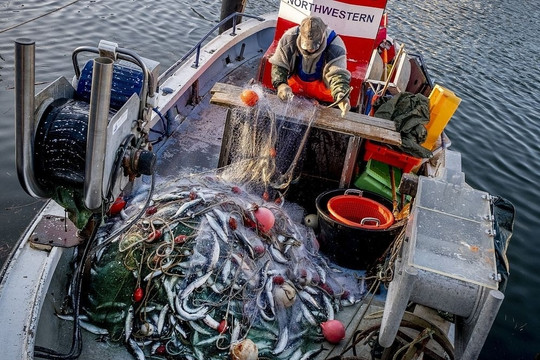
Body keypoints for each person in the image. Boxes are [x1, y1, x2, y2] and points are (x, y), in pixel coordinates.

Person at [269, 16, 351, 117]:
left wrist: (340, 94)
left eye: (314, 45)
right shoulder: (289, 37)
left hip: (323, 95)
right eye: (307, 45)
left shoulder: (335, 45)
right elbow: (279, 65)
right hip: (293, 92)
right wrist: (281, 84)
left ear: (323, 36)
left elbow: (338, 75)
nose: (311, 49)